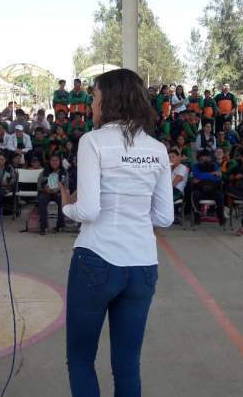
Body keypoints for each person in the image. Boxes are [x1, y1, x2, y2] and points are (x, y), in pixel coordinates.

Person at [59, 68, 172, 397]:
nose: (91, 105)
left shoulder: (92, 141)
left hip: (97, 258)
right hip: (142, 265)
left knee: (80, 359)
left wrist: (67, 207)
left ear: (108, 101)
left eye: (94, 98)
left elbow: (89, 209)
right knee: (127, 365)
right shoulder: (157, 148)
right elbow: (164, 217)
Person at [190, 149, 225, 226]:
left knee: (220, 196)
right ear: (199, 159)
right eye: (202, 159)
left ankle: (220, 216)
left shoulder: (214, 165)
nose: (205, 161)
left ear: (210, 158)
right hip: (200, 189)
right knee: (194, 195)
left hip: (213, 189)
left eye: (207, 158)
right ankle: (197, 216)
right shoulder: (196, 166)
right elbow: (197, 176)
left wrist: (201, 177)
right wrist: (212, 174)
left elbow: (218, 178)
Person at [37, 154, 68, 235]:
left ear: (59, 162)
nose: (54, 162)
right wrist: (45, 188)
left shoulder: (64, 172)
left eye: (56, 160)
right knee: (42, 199)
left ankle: (60, 225)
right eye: (52, 160)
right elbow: (39, 183)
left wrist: (57, 189)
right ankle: (44, 227)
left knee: (62, 201)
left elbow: (66, 186)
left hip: (58, 192)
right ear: (50, 162)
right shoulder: (45, 171)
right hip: (46, 192)